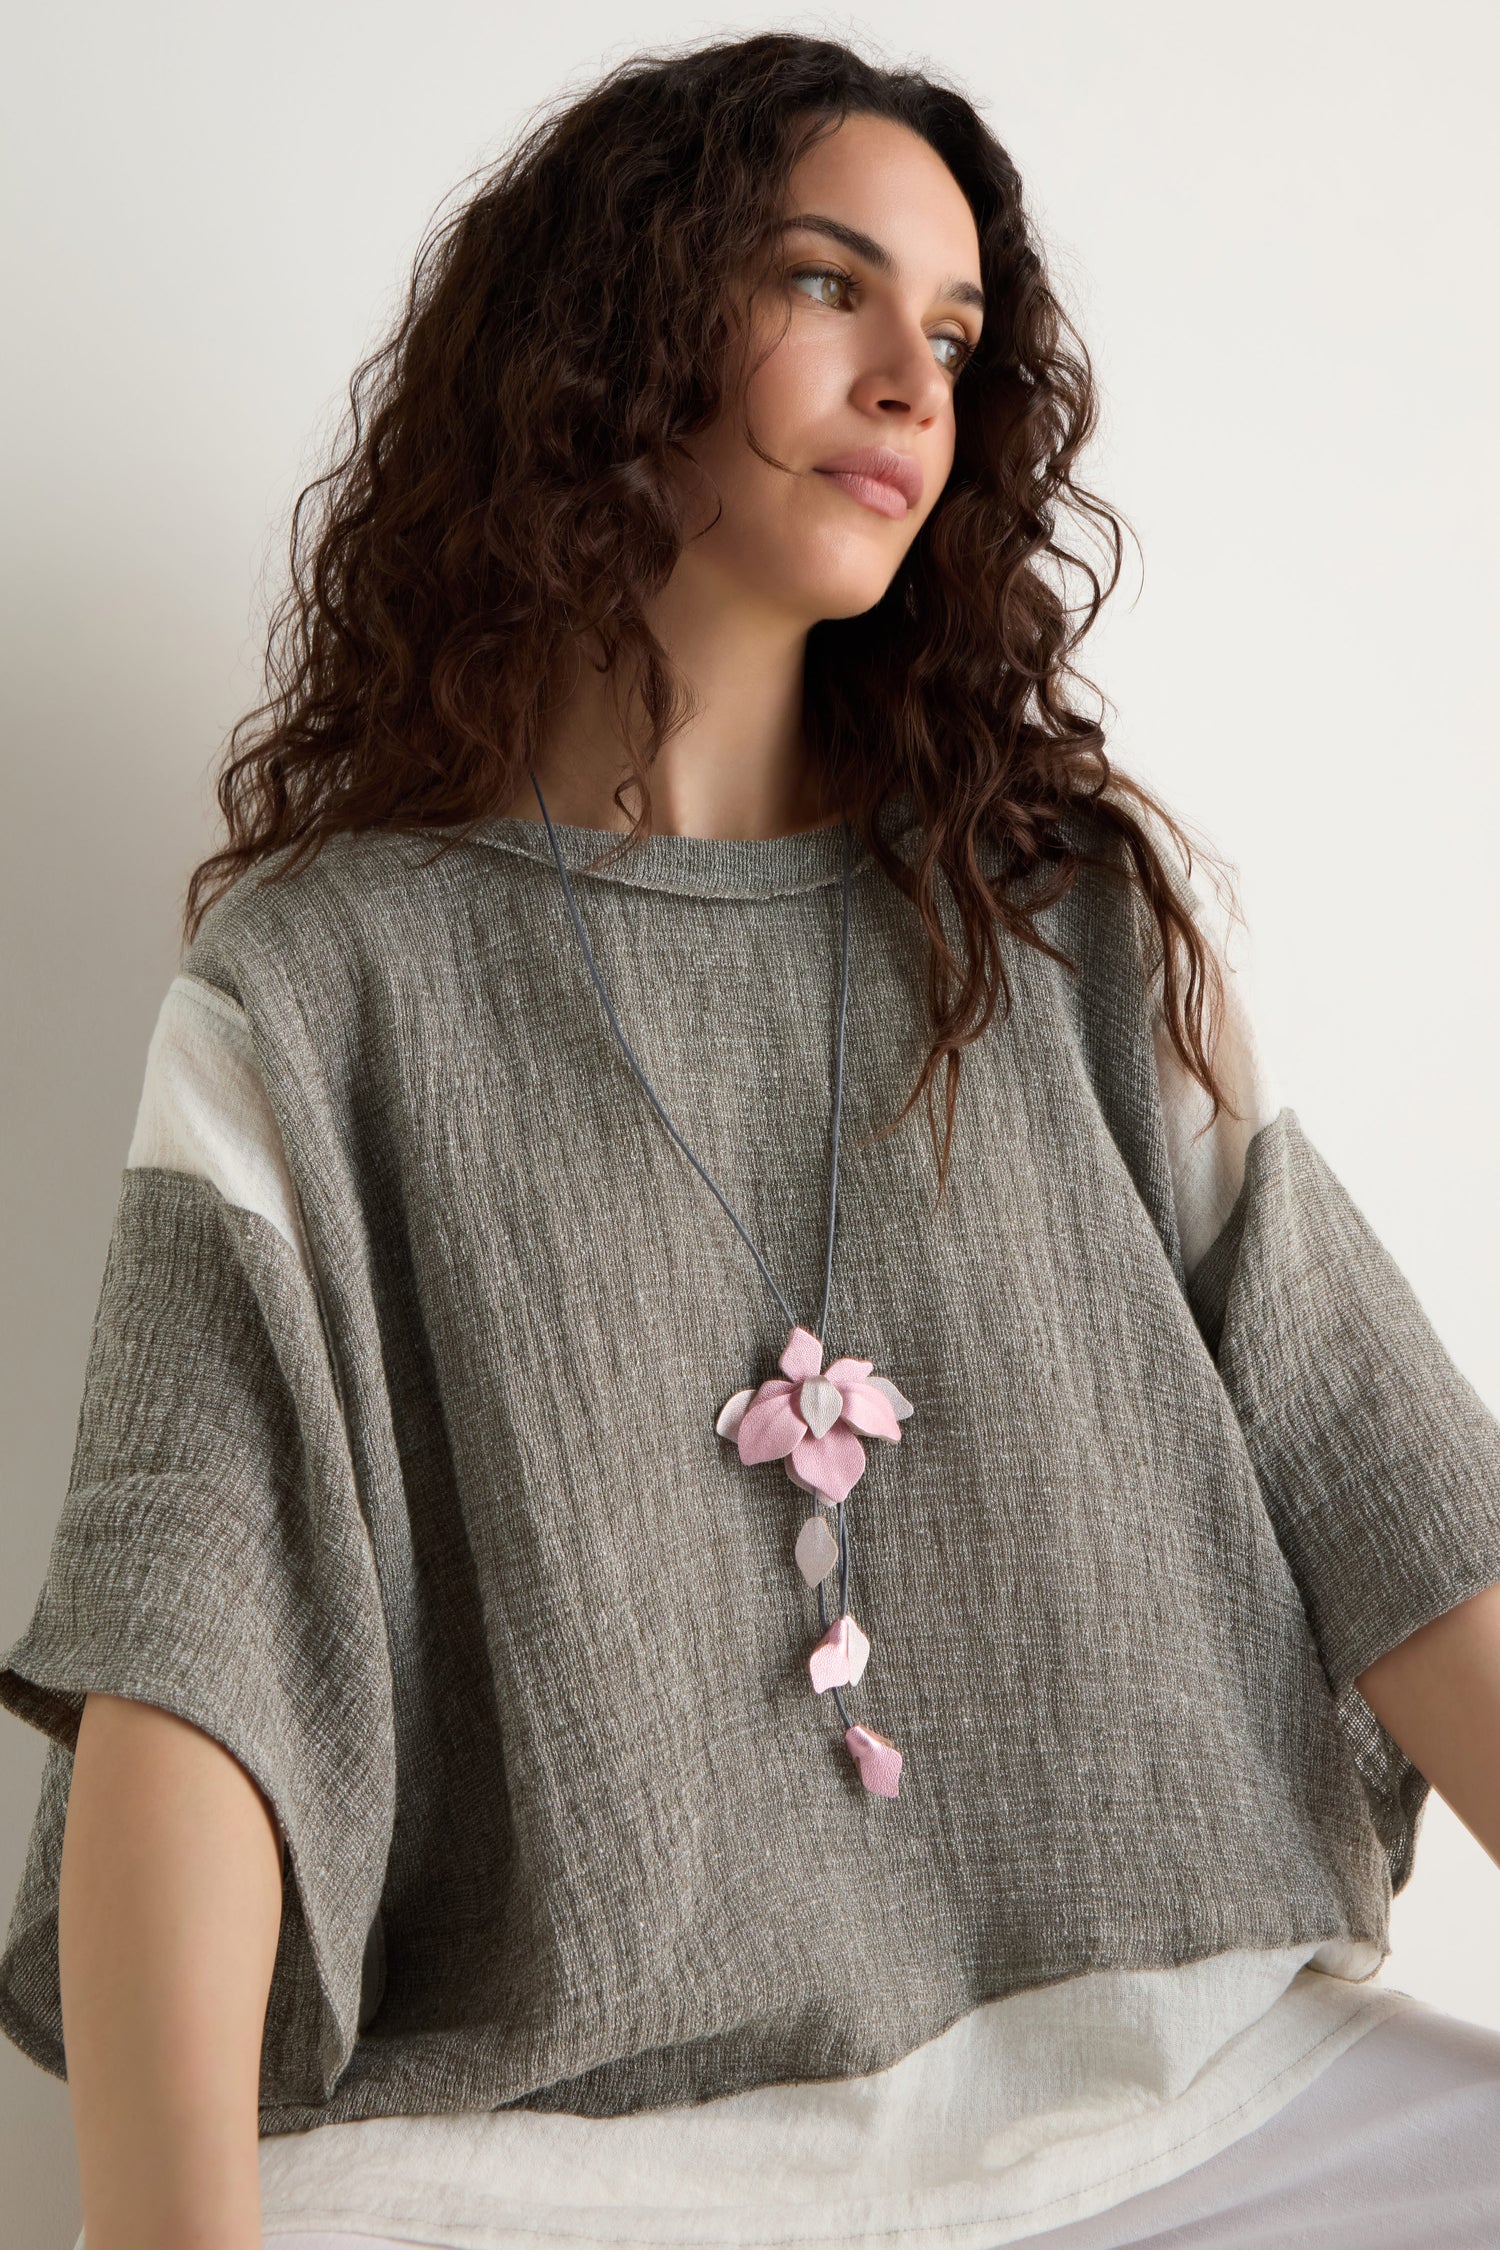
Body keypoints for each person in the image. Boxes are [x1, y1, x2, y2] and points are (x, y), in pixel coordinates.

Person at [2, 30, 1498, 2250]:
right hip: (544, 2178)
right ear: (614, 337)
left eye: (962, 336)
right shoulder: (329, 989)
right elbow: (187, 1667)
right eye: (829, 285)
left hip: (1181, 2109)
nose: (918, 379)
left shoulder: (1057, 925)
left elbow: (1400, 1503)